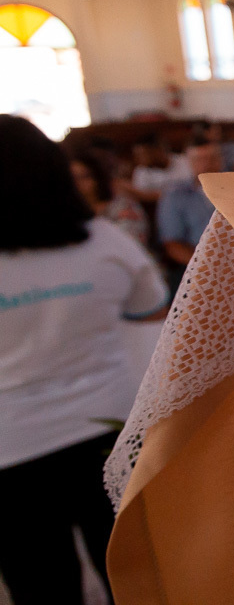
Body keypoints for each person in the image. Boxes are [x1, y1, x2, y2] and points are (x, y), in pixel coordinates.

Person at [0, 115, 168, 605]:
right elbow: (152, 312)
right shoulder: (108, 244)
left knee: (39, 579)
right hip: (108, 425)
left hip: (12, 445)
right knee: (129, 568)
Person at [156, 141, 221, 292]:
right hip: (198, 265)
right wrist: (208, 268)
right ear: (189, 163)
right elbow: (172, 245)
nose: (207, 164)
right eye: (200, 159)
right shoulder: (175, 195)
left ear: (220, 159)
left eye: (212, 158)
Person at [71, 149, 150, 246]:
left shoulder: (122, 206)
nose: (77, 183)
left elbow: (131, 243)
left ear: (97, 178)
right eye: (72, 178)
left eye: (84, 177)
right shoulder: (69, 213)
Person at [129, 135, 191, 204]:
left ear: (157, 151)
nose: (137, 159)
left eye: (142, 154)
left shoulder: (185, 161)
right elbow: (142, 197)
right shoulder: (141, 172)